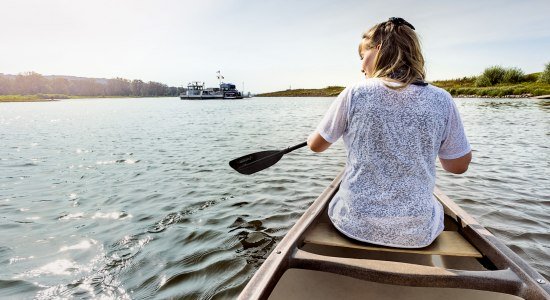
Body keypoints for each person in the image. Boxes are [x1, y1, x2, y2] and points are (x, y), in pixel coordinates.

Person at [307, 17, 472, 248]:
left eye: (362, 57)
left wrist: (315, 135)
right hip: (417, 233)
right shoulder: (442, 99)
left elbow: (315, 146)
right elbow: (458, 166)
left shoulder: (355, 92)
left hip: (354, 224)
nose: (361, 66)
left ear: (379, 49)